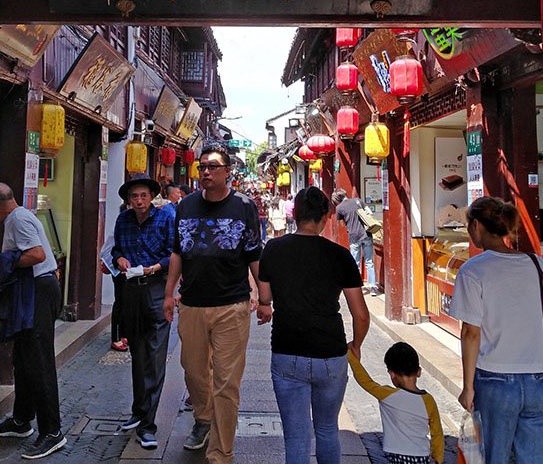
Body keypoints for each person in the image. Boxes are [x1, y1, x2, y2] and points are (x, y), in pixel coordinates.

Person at [164, 142, 262, 464]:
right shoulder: (186, 206)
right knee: (193, 372)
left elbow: (253, 254)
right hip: (191, 304)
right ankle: (203, 419)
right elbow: (178, 251)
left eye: (212, 167)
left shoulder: (244, 206)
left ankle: (221, 453)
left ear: (227, 171)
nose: (205, 172)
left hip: (231, 305)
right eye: (202, 167)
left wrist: (264, 297)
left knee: (226, 381)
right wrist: (169, 293)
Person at [256, 186, 369, 464]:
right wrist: (356, 345)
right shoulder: (340, 255)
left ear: (295, 216)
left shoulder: (273, 248)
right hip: (330, 352)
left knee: (296, 436)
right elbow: (361, 315)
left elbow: (265, 297)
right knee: (328, 429)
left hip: (287, 349)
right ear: (325, 217)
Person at [450, 196, 543, 464]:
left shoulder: (473, 270)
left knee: (494, 458)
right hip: (541, 381)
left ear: (476, 226)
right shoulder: (536, 264)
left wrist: (468, 387)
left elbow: (471, 332)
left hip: (496, 381)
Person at [0, 182, 66, 460]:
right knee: (24, 357)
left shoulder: (17, 219)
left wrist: (5, 261)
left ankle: (52, 431)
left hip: (38, 292)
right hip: (34, 290)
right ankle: (21, 420)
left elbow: (37, 254)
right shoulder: (19, 217)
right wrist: (8, 259)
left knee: (39, 360)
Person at [111, 173, 174, 450]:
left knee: (155, 357)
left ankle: (148, 425)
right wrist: (119, 258)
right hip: (131, 291)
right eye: (134, 196)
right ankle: (139, 412)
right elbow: (115, 250)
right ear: (128, 199)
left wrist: (155, 268)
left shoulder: (165, 218)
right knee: (137, 353)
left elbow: (174, 254)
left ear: (151, 197)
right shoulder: (123, 220)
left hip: (157, 289)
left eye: (143, 196)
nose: (138, 200)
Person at [347, 341, 445, 464]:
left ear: (392, 374)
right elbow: (437, 433)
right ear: (419, 371)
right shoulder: (428, 400)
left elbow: (365, 381)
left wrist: (350, 357)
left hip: (396, 456)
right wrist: (437, 459)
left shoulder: (387, 395)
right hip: (422, 456)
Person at [333, 188, 377, 296]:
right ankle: (373, 288)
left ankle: (357, 287)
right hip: (366, 234)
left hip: (354, 236)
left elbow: (342, 224)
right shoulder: (358, 200)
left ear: (337, 199)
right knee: (369, 262)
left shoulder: (339, 208)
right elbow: (369, 213)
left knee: (355, 263)